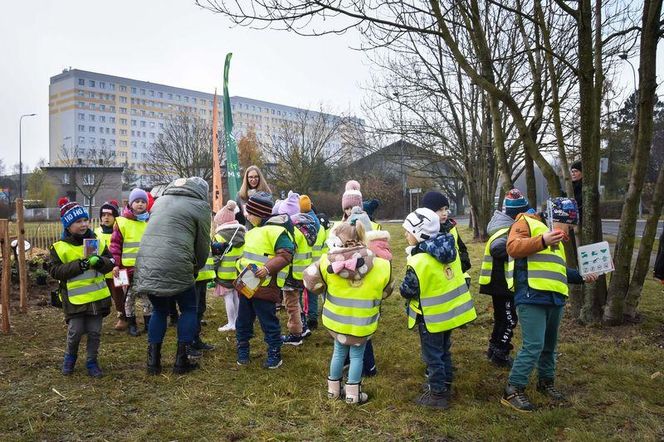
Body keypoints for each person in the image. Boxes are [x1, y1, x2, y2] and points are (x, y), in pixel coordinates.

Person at [500, 205, 597, 412]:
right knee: (533, 344)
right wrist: (543, 240)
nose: (570, 230)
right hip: (531, 296)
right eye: (569, 224)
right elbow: (513, 247)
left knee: (550, 346)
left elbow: (557, 270)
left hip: (554, 298)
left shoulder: (556, 240)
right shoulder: (526, 222)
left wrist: (582, 276)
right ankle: (513, 389)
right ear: (557, 218)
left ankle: (546, 382)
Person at [304, 222, 392, 404]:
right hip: (363, 322)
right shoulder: (382, 265)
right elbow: (387, 291)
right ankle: (353, 393)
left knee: (338, 353)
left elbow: (311, 283)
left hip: (336, 321)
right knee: (357, 356)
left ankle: (333, 391)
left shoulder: (325, 262)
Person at [400, 207, 477, 409]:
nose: (405, 235)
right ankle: (446, 385)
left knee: (432, 357)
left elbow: (408, 290)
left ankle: (437, 395)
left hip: (430, 318)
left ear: (419, 234)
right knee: (444, 352)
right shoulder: (449, 251)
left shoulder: (418, 260)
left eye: (408, 231)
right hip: (448, 314)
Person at [135, 177, 211, 375]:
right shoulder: (200, 206)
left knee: (159, 310)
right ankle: (181, 360)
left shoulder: (159, 201)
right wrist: (197, 267)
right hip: (177, 262)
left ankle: (153, 362)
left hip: (148, 262)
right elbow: (203, 244)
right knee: (188, 308)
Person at [50, 198, 115, 377]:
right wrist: (82, 265)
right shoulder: (59, 248)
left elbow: (111, 262)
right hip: (74, 300)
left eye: (85, 220)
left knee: (95, 332)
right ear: (68, 226)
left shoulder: (96, 242)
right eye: (78, 221)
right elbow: (55, 271)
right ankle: (70, 358)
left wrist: (100, 262)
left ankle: (92, 362)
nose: (83, 224)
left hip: (97, 298)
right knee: (75, 332)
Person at [235, 192, 294, 369]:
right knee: (243, 319)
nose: (247, 216)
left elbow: (286, 255)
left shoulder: (277, 231)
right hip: (247, 284)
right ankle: (243, 347)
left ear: (260, 214)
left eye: (250, 213)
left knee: (268, 320)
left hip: (265, 286)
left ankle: (274, 350)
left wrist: (267, 269)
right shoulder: (252, 231)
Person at [479, 189, 530, 367]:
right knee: (509, 319)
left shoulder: (505, 226)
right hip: (502, 284)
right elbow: (497, 248)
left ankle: (494, 349)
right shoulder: (507, 230)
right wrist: (520, 249)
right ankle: (500, 353)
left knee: (501, 318)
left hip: (498, 283)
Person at [110, 188, 152, 337]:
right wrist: (115, 263)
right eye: (137, 201)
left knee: (147, 296)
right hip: (125, 269)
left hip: (145, 267)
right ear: (131, 203)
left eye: (143, 202)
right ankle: (131, 324)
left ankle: (149, 323)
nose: (140, 204)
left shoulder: (149, 221)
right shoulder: (121, 222)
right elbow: (115, 245)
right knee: (128, 297)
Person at [277, 191, 316, 346]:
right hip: (302, 272)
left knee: (291, 304)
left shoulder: (292, 231)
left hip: (291, 273)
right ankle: (303, 327)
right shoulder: (306, 227)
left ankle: (295, 334)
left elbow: (287, 252)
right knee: (297, 302)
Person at [420, 191, 472, 284]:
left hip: (456, 279)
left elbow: (462, 249)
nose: (444, 213)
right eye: (440, 210)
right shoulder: (421, 232)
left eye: (446, 209)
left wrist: (462, 265)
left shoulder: (451, 228)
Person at [213, 200, 246, 332]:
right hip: (238, 271)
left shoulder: (219, 236)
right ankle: (238, 321)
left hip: (224, 272)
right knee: (236, 296)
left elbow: (215, 256)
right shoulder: (243, 233)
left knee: (228, 298)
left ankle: (231, 322)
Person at [94, 199, 127, 331]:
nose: (106, 218)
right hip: (102, 271)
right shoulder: (96, 233)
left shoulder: (120, 231)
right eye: (103, 215)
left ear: (115, 217)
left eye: (109, 215)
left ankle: (124, 317)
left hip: (118, 270)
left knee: (119, 295)